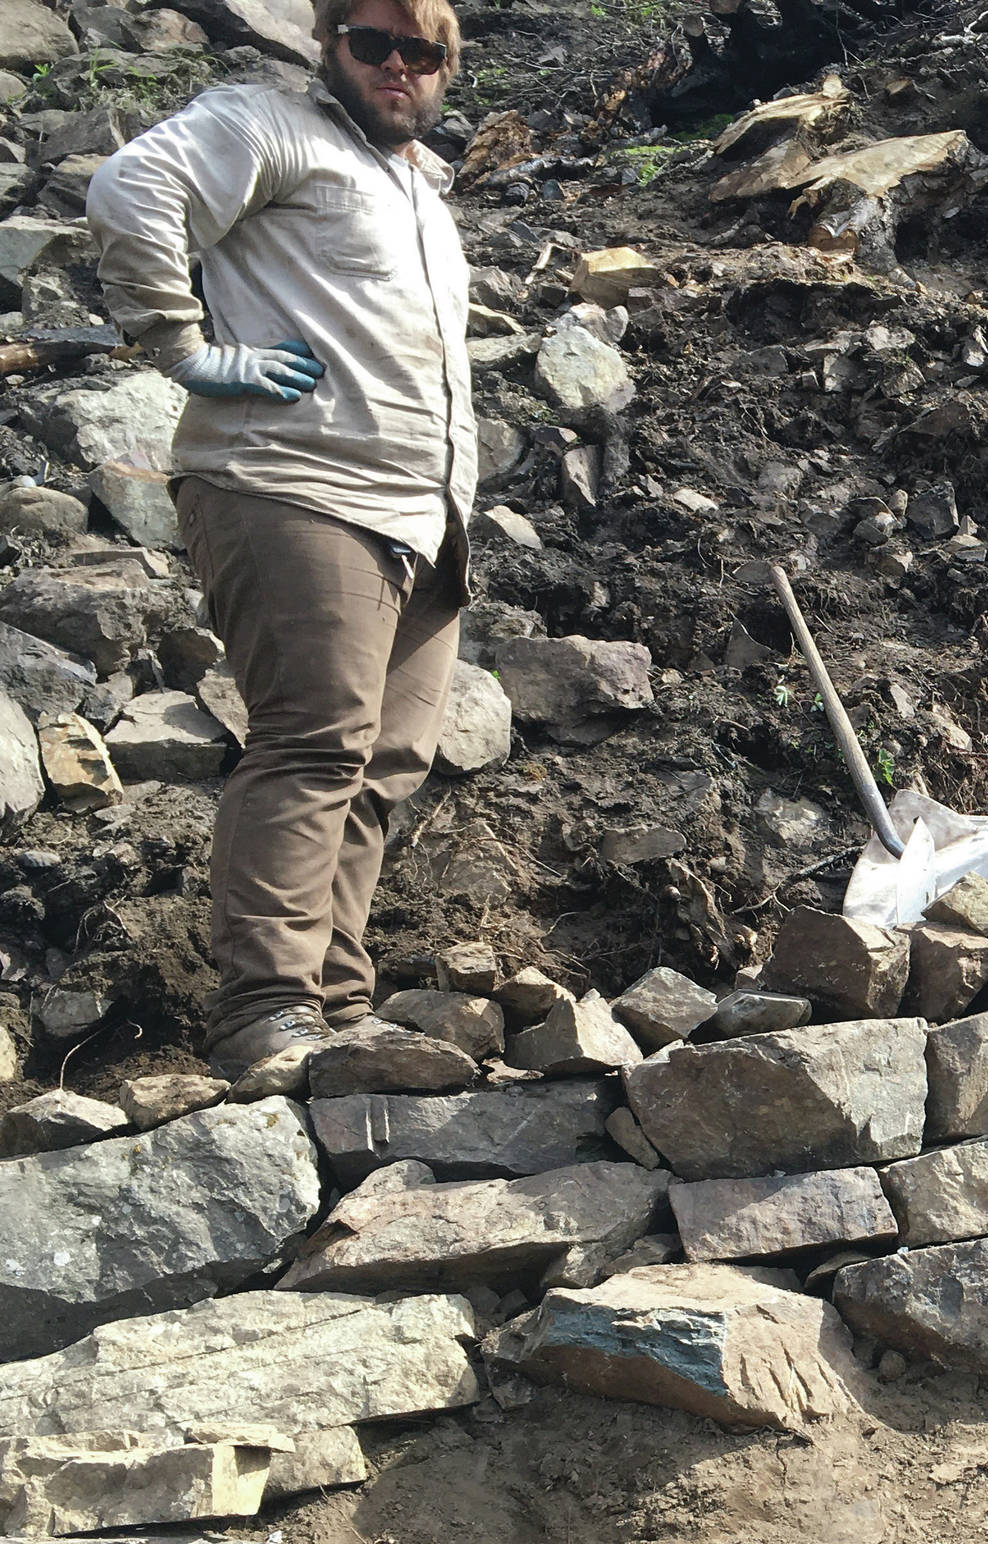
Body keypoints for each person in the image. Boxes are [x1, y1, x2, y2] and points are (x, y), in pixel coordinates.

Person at [85, 0, 476, 1076]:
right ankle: (264, 1012)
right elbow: (130, 186)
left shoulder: (417, 187)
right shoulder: (266, 122)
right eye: (373, 42)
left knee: (383, 765)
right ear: (327, 44)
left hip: (418, 512)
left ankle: (336, 1013)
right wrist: (183, 345)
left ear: (448, 67)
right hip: (291, 482)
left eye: (422, 51)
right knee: (313, 739)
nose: (398, 65)